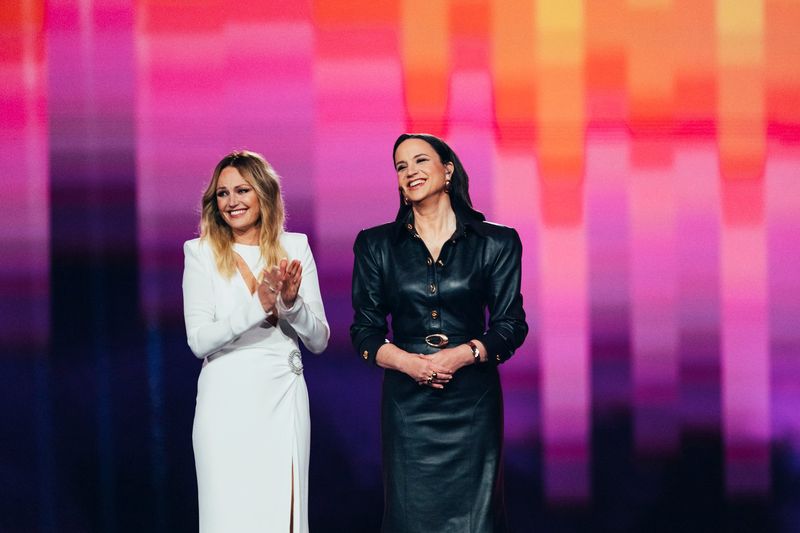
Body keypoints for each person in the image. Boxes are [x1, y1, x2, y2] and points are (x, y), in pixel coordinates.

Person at [350, 133, 528, 532]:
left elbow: (510, 325)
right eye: (400, 166)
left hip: (472, 402)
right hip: (407, 402)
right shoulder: (376, 245)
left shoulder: (496, 242)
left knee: (476, 521)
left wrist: (461, 355)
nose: (410, 171)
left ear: (447, 169)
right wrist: (408, 364)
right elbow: (365, 332)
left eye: (419, 161)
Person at [182, 150, 329, 533]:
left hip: (282, 397)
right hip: (225, 405)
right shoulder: (199, 253)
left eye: (242, 190)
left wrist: (291, 304)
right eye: (223, 194)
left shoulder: (295, 247)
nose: (232, 202)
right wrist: (257, 306)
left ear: (263, 193)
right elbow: (199, 340)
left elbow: (318, 339)